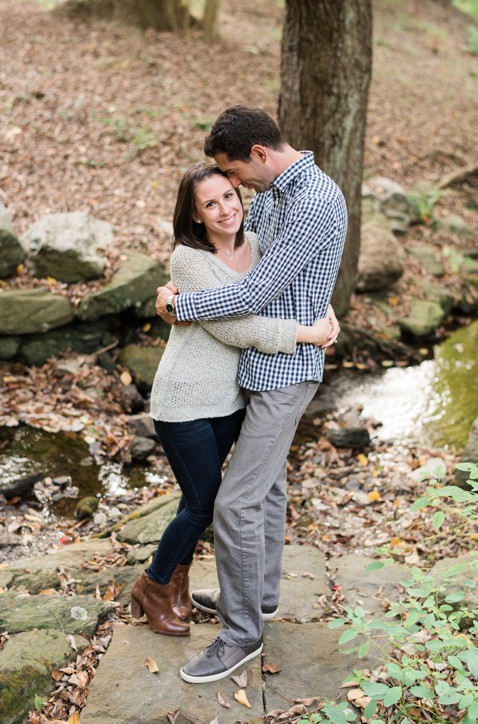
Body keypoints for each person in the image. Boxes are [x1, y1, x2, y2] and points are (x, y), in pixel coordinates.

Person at [154, 106, 348, 683]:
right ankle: (258, 598)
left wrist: (176, 307)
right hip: (259, 367)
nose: (232, 187)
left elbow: (253, 291)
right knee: (264, 490)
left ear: (259, 155)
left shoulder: (312, 199)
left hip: (286, 370)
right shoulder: (274, 191)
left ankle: (241, 636)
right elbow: (232, 252)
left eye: (234, 173)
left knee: (233, 502)